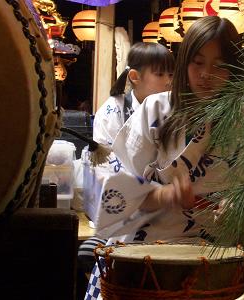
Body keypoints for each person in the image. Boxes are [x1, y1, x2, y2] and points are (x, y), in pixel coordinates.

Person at [84, 16, 241, 299]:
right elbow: (118, 193)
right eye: (198, 62)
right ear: (184, 63)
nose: (207, 74)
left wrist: (237, 204)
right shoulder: (154, 111)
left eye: (220, 65)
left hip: (218, 254)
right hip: (143, 249)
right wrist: (166, 195)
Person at [78, 42, 174, 290]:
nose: (168, 82)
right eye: (160, 74)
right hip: (122, 208)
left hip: (163, 210)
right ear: (135, 77)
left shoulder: (170, 109)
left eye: (172, 75)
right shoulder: (111, 111)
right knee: (95, 257)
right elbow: (107, 171)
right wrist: (149, 193)